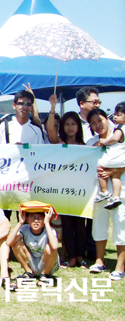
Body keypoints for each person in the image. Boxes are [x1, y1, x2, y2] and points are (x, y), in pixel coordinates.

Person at [45, 100, 88, 269]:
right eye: (67, 124)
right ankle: (70, 255)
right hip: (64, 191)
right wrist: (53, 108)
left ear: (78, 127)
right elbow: (50, 130)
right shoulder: (60, 144)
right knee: (67, 224)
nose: (70, 128)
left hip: (82, 192)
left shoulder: (85, 147)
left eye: (73, 124)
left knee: (81, 225)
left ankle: (80, 256)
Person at [86, 108, 125, 280]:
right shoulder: (92, 143)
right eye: (93, 123)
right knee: (99, 224)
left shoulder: (120, 137)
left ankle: (120, 266)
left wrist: (115, 171)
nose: (97, 125)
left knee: (120, 225)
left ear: (107, 118)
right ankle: (99, 261)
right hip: (99, 191)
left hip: (120, 187)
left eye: (99, 120)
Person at [6, 202, 59, 288]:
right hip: (31, 262)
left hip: (46, 264)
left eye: (39, 218)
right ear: (27, 219)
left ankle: (45, 275)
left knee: (50, 248)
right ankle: (28, 272)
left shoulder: (49, 230)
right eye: (32, 218)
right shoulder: (25, 228)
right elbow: (9, 242)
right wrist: (20, 223)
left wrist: (47, 223)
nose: (36, 221)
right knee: (16, 244)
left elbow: (55, 246)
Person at [93, 103, 125, 209]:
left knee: (100, 167)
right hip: (121, 162)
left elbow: (115, 139)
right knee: (116, 178)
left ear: (107, 119)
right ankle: (115, 197)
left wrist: (105, 141)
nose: (115, 117)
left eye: (118, 115)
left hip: (116, 162)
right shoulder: (91, 141)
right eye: (93, 123)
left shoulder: (119, 128)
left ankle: (104, 191)